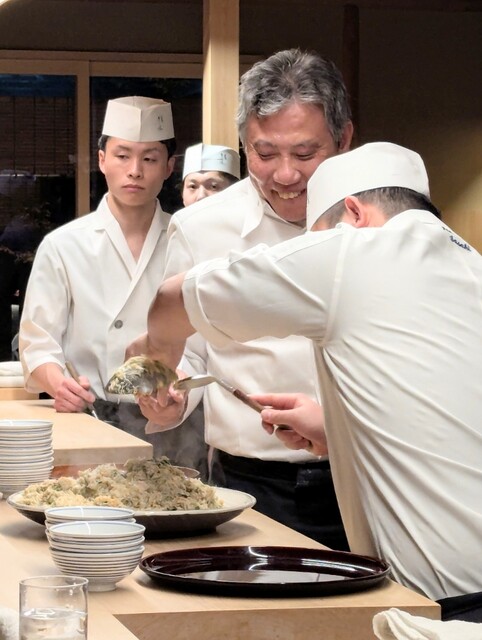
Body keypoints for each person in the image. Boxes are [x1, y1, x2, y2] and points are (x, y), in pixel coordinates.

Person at [128, 142, 482, 619]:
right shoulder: (469, 265)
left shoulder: (352, 252)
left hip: (454, 606)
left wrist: (157, 352)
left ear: (353, 213)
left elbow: (173, 300)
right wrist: (336, 432)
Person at [131, 48, 354, 549]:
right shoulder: (201, 226)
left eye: (306, 154)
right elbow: (187, 353)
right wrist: (168, 396)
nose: (285, 175)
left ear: (344, 140)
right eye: (265, 154)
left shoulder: (379, 221)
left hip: (368, 474)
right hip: (249, 484)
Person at [19, 95, 183, 451]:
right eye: (122, 156)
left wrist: (180, 394)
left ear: (169, 166)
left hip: (171, 421)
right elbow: (38, 342)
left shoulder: (187, 241)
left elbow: (203, 344)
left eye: (150, 158)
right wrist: (59, 384)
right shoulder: (63, 245)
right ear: (101, 160)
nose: (135, 170)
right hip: (88, 417)